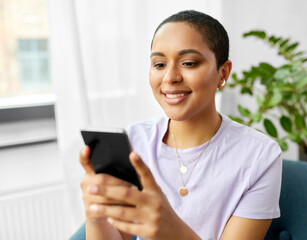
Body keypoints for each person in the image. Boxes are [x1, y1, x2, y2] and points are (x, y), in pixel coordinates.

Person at [79, 10, 282, 240]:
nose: (170, 77)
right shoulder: (134, 142)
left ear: (223, 73)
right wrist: (95, 215)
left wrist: (172, 231)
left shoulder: (260, 155)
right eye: (159, 64)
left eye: (189, 63)